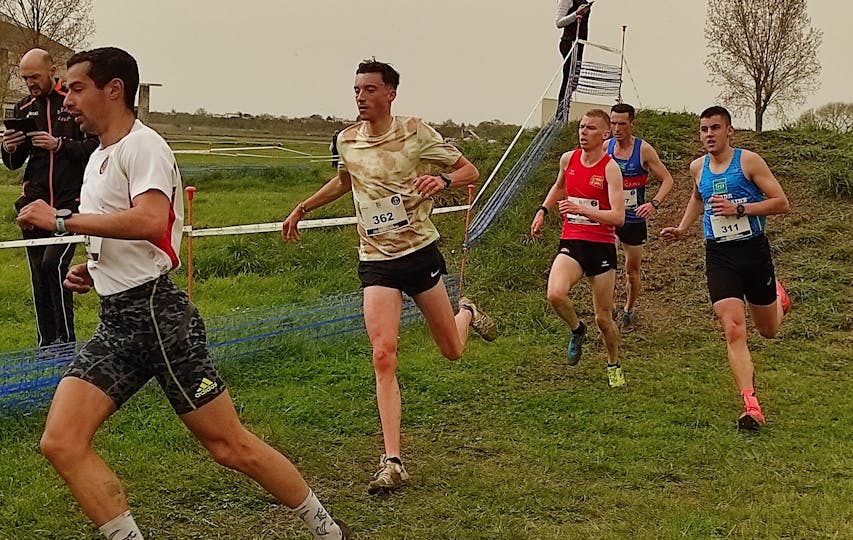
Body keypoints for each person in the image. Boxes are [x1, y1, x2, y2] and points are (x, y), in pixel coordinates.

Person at [16, 47, 352, 540]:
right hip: (117, 321)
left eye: (78, 88)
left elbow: (152, 219)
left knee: (228, 446)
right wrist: (98, 264)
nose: (67, 100)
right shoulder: (100, 156)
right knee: (62, 442)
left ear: (115, 89)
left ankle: (325, 529)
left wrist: (62, 219)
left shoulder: (143, 146)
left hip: (158, 317)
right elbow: (137, 229)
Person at [281, 59, 498, 494]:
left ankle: (467, 312)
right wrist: (303, 207)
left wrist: (442, 180)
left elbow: (469, 171)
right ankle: (393, 460)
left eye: (370, 89)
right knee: (383, 352)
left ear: (391, 94)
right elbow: (345, 182)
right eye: (357, 89)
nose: (360, 96)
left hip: (419, 254)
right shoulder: (346, 140)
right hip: (376, 259)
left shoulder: (415, 132)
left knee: (452, 351)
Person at [660, 106, 792, 431]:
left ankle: (778, 299)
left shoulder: (748, 161)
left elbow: (781, 202)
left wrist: (740, 208)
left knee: (769, 330)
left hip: (753, 251)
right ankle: (750, 404)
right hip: (719, 255)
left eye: (715, 128)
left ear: (729, 130)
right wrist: (681, 228)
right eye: (704, 129)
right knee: (733, 327)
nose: (709, 135)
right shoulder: (697, 167)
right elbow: (698, 197)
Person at [2, 48, 98, 347]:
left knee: (53, 267)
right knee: (38, 275)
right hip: (33, 203)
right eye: (25, 78)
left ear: (51, 70)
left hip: (71, 203)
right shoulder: (23, 108)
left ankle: (66, 342)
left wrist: (59, 145)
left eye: (35, 76)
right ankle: (46, 344)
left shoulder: (72, 101)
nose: (30, 83)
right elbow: (14, 163)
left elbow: (95, 147)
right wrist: (10, 148)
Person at [530, 109, 626, 387]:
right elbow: (559, 187)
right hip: (572, 240)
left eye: (591, 128)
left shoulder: (610, 168)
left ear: (605, 134)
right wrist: (542, 211)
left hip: (601, 246)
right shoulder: (568, 159)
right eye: (582, 127)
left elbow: (618, 217)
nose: (584, 132)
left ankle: (613, 364)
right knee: (555, 294)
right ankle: (576, 329)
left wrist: (581, 208)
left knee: (604, 318)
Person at [606, 103, 675, 332]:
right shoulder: (605, 148)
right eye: (613, 123)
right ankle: (611, 306)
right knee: (606, 264)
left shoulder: (643, 150)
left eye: (622, 124)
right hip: (610, 217)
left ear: (632, 124)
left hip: (634, 219)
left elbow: (667, 180)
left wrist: (653, 203)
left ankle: (629, 309)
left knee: (631, 271)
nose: (617, 128)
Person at [554, 0, 592, 120]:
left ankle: (564, 110)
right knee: (568, 79)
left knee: (573, 80)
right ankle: (560, 116)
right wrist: (576, 13)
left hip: (579, 43)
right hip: (569, 42)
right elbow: (559, 23)